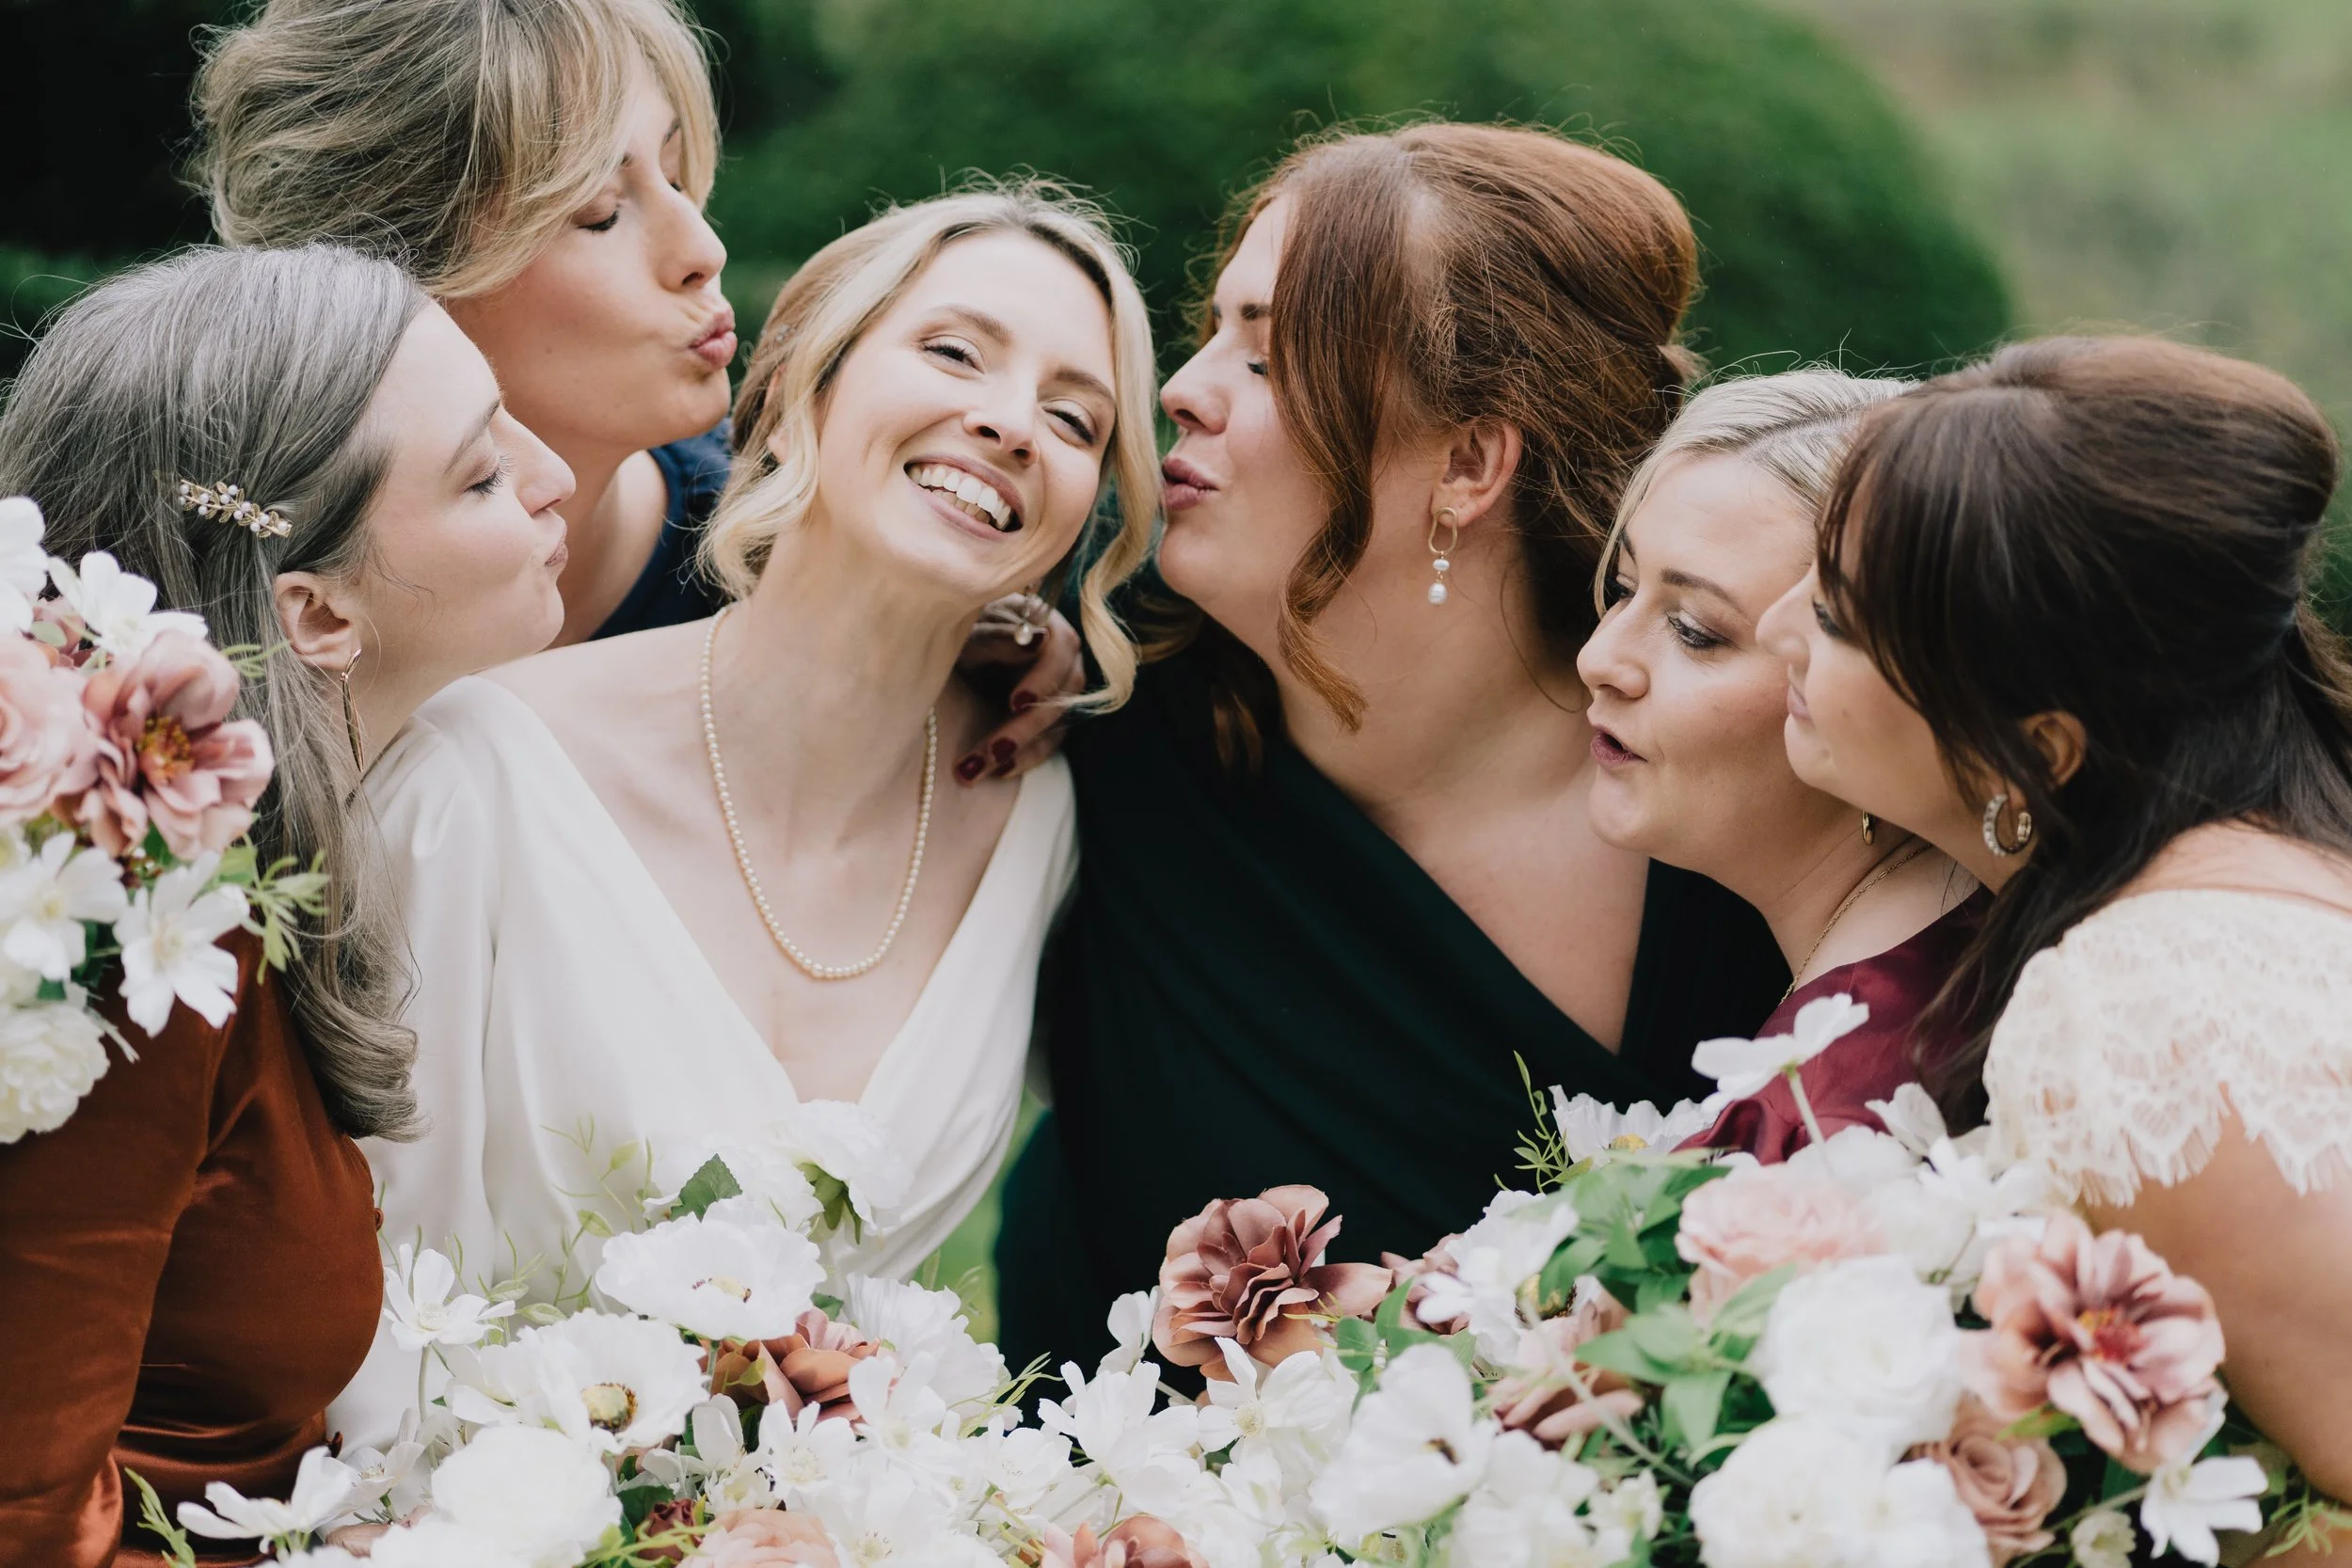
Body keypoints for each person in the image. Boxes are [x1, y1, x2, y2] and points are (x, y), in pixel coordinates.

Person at [333, 182, 1161, 1444]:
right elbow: (341, 1278)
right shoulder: (483, 771)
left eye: (1073, 418)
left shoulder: (1043, 817)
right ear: (803, 382)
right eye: (953, 352)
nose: (1008, 422)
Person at [995, 124, 1790, 1375]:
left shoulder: (1736, 813)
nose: (1183, 387)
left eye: (1260, 357)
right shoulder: (1098, 686)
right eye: (1215, 333)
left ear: (1470, 462)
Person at [0, 245, 574, 1566]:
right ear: (312, 611)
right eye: (484, 472)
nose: (554, 478)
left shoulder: (251, 877)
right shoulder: (122, 928)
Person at [1763, 336, 2352, 1515]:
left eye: (1832, 614)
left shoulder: (2133, 1002)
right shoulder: (2274, 863)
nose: (1777, 626)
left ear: (2033, 748)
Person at [192, 0, 1074, 772]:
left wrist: (951, 629)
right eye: (602, 214)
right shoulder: (192, 603)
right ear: (396, 278)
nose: (703, 251)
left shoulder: (772, 568)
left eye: (682, 175)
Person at [1574, 371, 1981, 1162]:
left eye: (1695, 631)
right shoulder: (1943, 952)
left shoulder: (1835, 1112)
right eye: (1622, 589)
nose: (1599, 660)